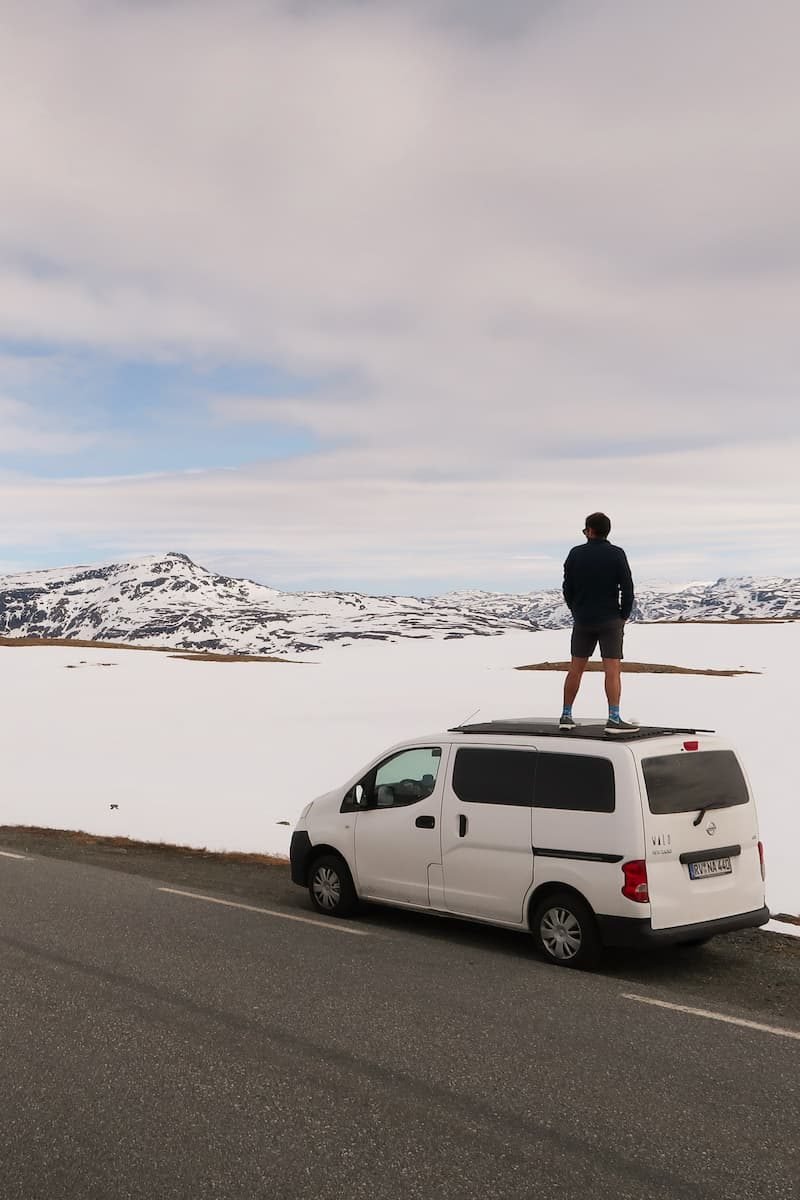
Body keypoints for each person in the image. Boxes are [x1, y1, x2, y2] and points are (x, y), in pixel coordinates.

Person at [559, 512, 636, 733]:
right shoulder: (616, 554)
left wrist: (576, 609)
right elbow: (627, 587)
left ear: (590, 531)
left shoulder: (575, 554)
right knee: (612, 670)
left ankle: (566, 715)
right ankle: (613, 718)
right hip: (610, 619)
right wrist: (623, 615)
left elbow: (567, 587)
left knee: (575, 669)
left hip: (583, 619)